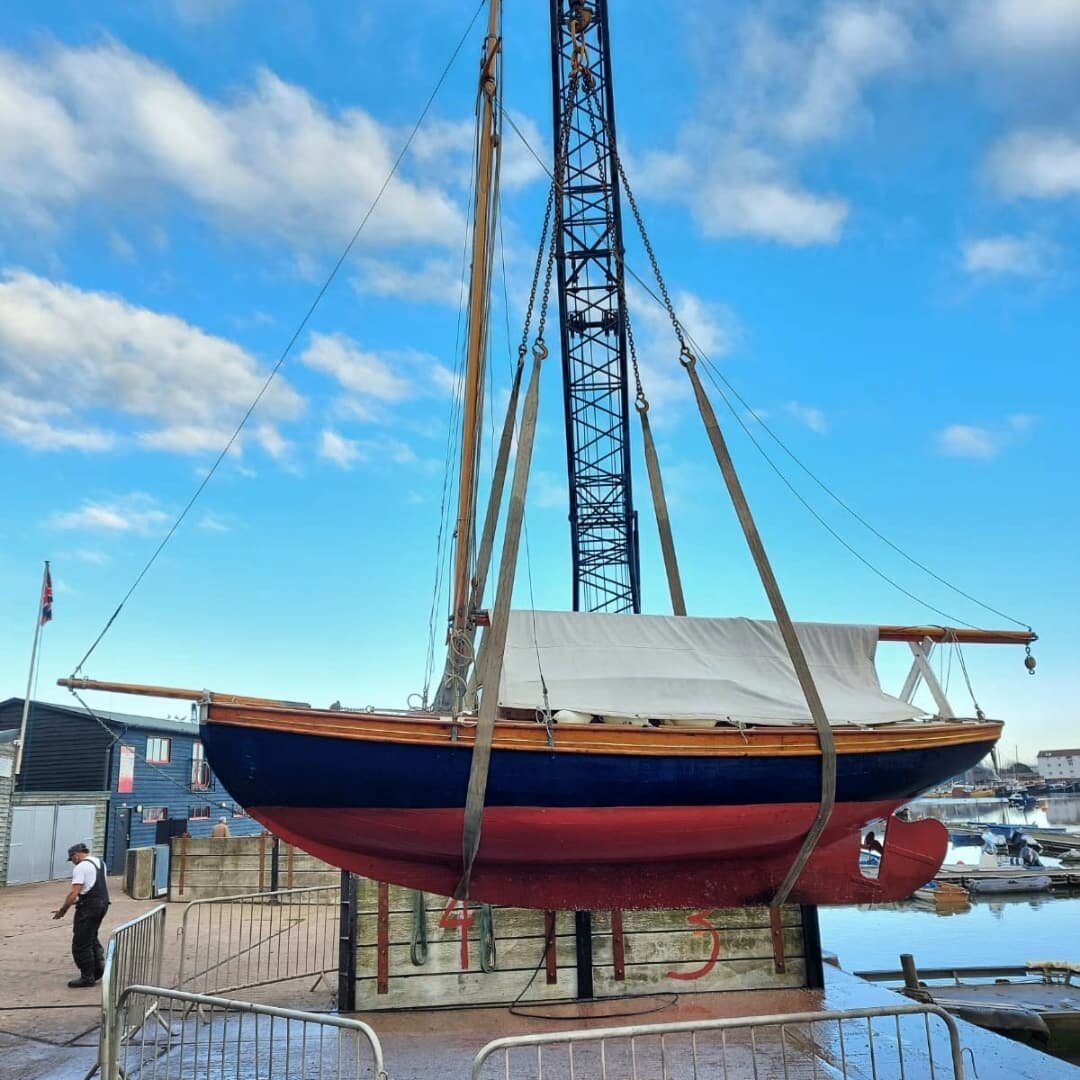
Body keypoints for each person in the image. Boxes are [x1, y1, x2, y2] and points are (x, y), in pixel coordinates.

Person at [52, 843, 110, 988]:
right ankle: (98, 969)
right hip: (102, 904)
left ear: (75, 855)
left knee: (81, 943)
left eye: (71, 859)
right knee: (92, 938)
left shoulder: (81, 867)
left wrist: (63, 910)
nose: (72, 862)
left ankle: (87, 977)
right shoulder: (100, 863)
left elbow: (74, 893)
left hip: (88, 909)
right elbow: (91, 888)